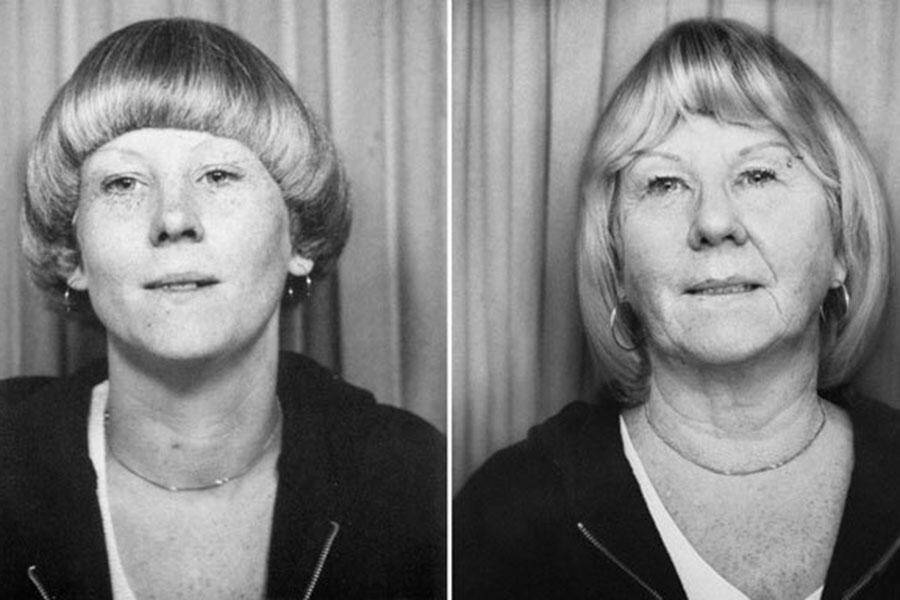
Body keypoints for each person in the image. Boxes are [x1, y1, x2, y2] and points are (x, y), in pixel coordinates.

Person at [454, 18, 900, 599]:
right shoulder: (507, 518)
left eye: (758, 174)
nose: (713, 222)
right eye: (665, 184)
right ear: (616, 263)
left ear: (841, 246)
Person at [0, 18, 443, 600]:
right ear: (72, 252)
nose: (173, 218)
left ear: (299, 239)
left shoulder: (413, 485)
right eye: (123, 183)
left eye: (218, 175)